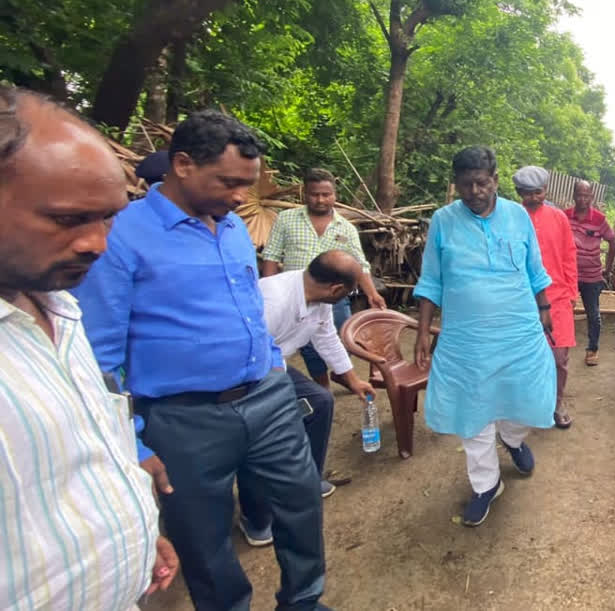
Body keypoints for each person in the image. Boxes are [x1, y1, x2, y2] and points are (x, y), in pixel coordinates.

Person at [74, 110, 327, 610]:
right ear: (183, 164)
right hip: (183, 418)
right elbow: (98, 355)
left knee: (300, 504)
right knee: (203, 538)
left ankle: (303, 600)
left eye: (246, 185)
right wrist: (131, 442)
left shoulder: (232, 227)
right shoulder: (121, 236)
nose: (239, 197)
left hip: (267, 395)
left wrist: (274, 361)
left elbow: (249, 303)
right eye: (229, 182)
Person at [0, 87, 178, 608]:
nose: (98, 243)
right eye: (67, 219)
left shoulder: (61, 307)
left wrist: (131, 533)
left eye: (107, 218)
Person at [412, 146, 556, 527]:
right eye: (465, 185)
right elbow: (431, 281)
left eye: (481, 182)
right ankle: (485, 485)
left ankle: (512, 437)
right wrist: (423, 332)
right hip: (466, 338)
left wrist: (545, 313)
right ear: (456, 185)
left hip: (518, 330)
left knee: (526, 393)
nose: (474, 191)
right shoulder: (443, 221)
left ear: (494, 179)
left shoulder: (517, 217)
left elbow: (535, 271)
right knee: (472, 407)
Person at [238, 250, 377, 545]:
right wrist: (274, 398)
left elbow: (326, 337)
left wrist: (353, 380)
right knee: (260, 435)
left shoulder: (318, 299)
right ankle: (255, 517)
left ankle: (306, 480)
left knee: (320, 402)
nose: (347, 298)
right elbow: (246, 352)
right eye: (349, 293)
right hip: (241, 373)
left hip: (274, 365)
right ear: (336, 289)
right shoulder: (273, 300)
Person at [262, 167, 386, 388]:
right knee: (307, 347)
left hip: (332, 297)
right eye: (314, 194)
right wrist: (266, 287)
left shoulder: (346, 228)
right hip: (295, 293)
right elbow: (271, 256)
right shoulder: (286, 219)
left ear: (335, 195)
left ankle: (341, 374)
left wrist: (372, 293)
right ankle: (321, 387)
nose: (320, 199)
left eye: (326, 194)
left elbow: (360, 264)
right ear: (305, 194)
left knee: (341, 336)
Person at [515, 165, 578, 428]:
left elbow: (568, 254)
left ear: (546, 190)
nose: (533, 198)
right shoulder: (511, 217)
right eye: (527, 193)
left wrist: (572, 292)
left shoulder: (559, 217)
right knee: (525, 355)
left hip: (558, 296)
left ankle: (556, 402)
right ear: (519, 192)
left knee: (559, 357)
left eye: (538, 192)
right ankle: (528, 404)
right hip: (521, 298)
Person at [568, 179, 615, 367]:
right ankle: (560, 345)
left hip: (591, 276)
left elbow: (612, 242)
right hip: (569, 275)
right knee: (563, 311)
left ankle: (592, 349)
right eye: (579, 195)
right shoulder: (564, 216)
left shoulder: (599, 219)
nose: (582, 199)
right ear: (574, 196)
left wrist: (608, 267)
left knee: (593, 314)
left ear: (592, 197)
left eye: (586, 195)